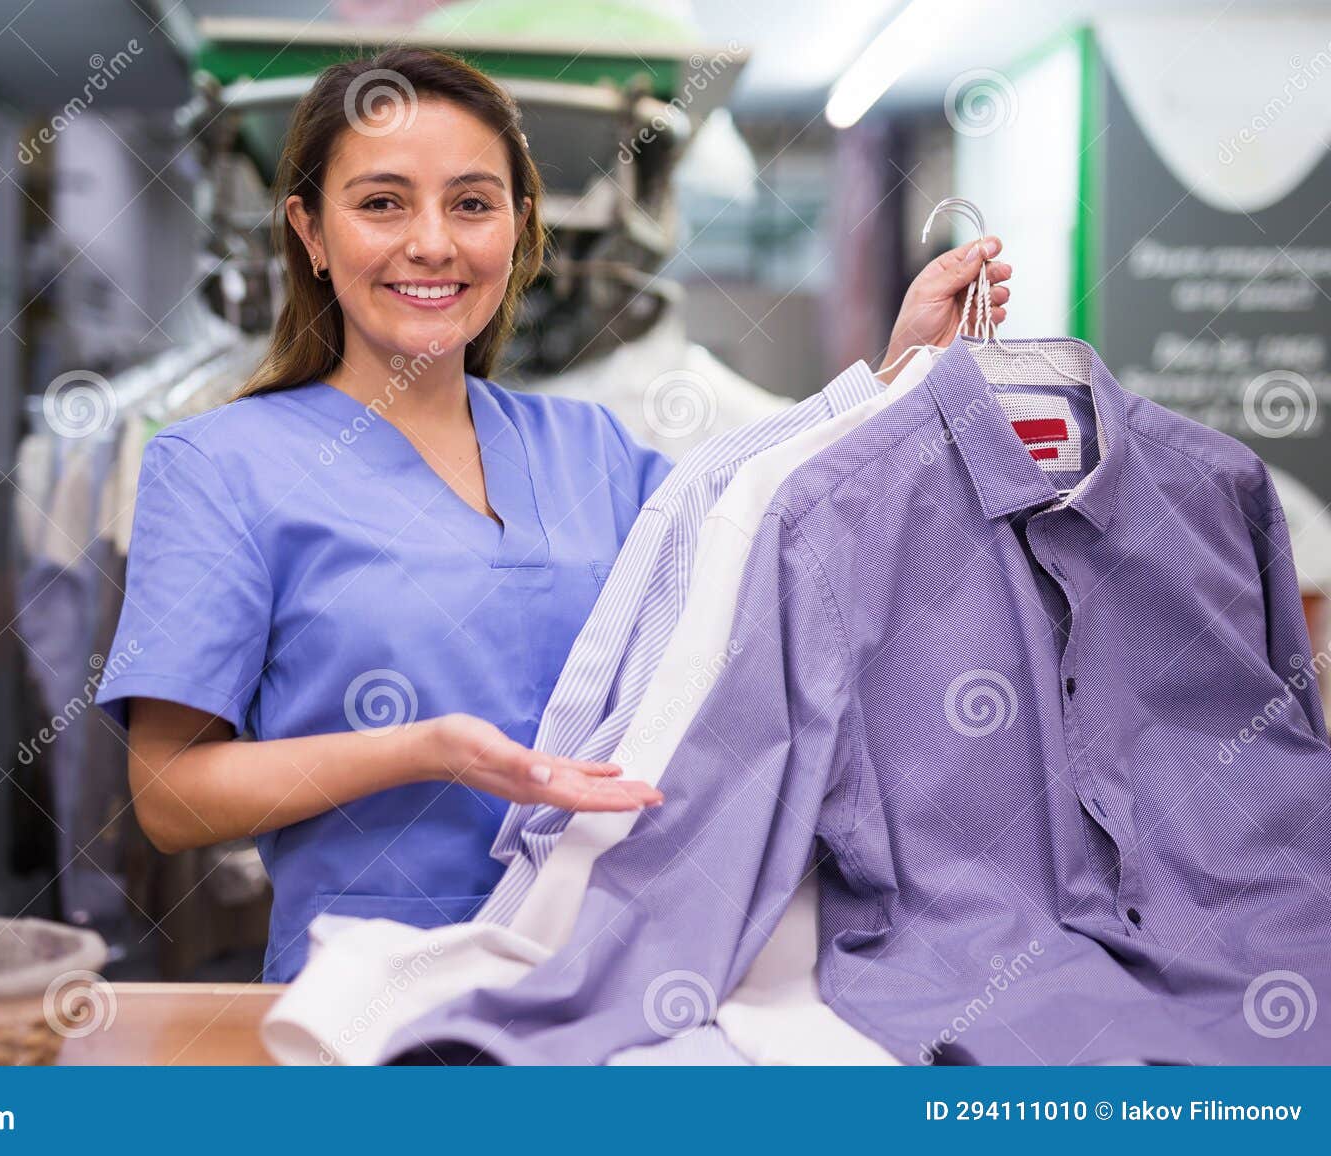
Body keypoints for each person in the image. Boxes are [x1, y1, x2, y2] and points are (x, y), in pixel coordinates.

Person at [93, 46, 1014, 982]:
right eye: (381, 203)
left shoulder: (591, 449)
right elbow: (170, 795)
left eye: (471, 203)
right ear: (311, 232)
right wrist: (424, 750)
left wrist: (900, 383)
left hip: (608, 979)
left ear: (518, 227)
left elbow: (777, 533)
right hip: (370, 1003)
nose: (433, 243)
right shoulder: (217, 466)